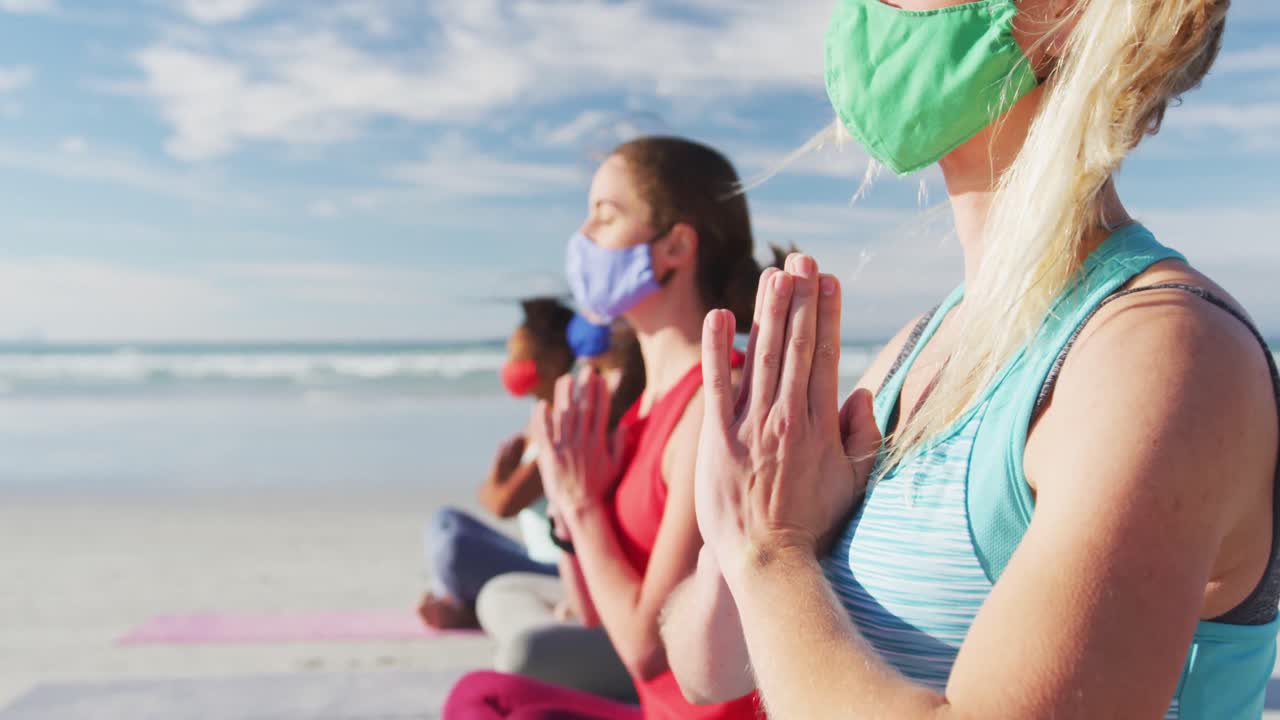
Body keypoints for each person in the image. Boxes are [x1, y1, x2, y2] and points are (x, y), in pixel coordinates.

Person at [664, 1, 1280, 719]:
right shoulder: (920, 347)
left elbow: (764, 570)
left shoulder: (1159, 352)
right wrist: (756, 532)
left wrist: (770, 555)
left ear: (1062, 14)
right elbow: (707, 669)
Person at [444, 137, 780, 720]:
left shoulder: (713, 400)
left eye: (606, 214)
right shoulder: (638, 400)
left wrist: (584, 505)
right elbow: (595, 612)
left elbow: (648, 649)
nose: (583, 237)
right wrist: (568, 503)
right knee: (480, 695)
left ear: (675, 247)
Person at [418, 298, 641, 630]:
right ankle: (461, 600)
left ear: (552, 361)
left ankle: (463, 604)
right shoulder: (539, 417)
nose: (510, 365)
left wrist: (497, 477)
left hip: (559, 568)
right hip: (536, 555)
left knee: (453, 547)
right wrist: (499, 483)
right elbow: (497, 496)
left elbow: (503, 503)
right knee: (446, 522)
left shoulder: (569, 422)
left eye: (518, 356)